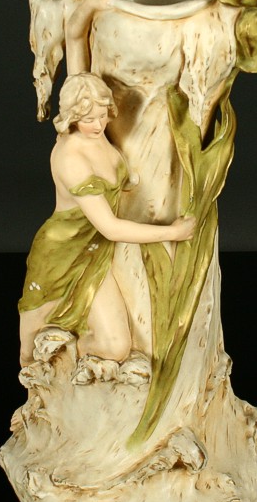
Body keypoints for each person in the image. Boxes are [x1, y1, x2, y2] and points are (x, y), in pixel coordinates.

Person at [18, 73, 195, 365]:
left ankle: (68, 359)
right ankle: (54, 366)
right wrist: (172, 233)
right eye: (88, 119)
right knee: (29, 348)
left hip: (97, 251)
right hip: (63, 254)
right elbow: (110, 228)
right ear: (72, 116)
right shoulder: (71, 158)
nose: (99, 125)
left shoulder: (97, 136)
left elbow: (79, 64)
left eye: (102, 115)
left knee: (115, 347)